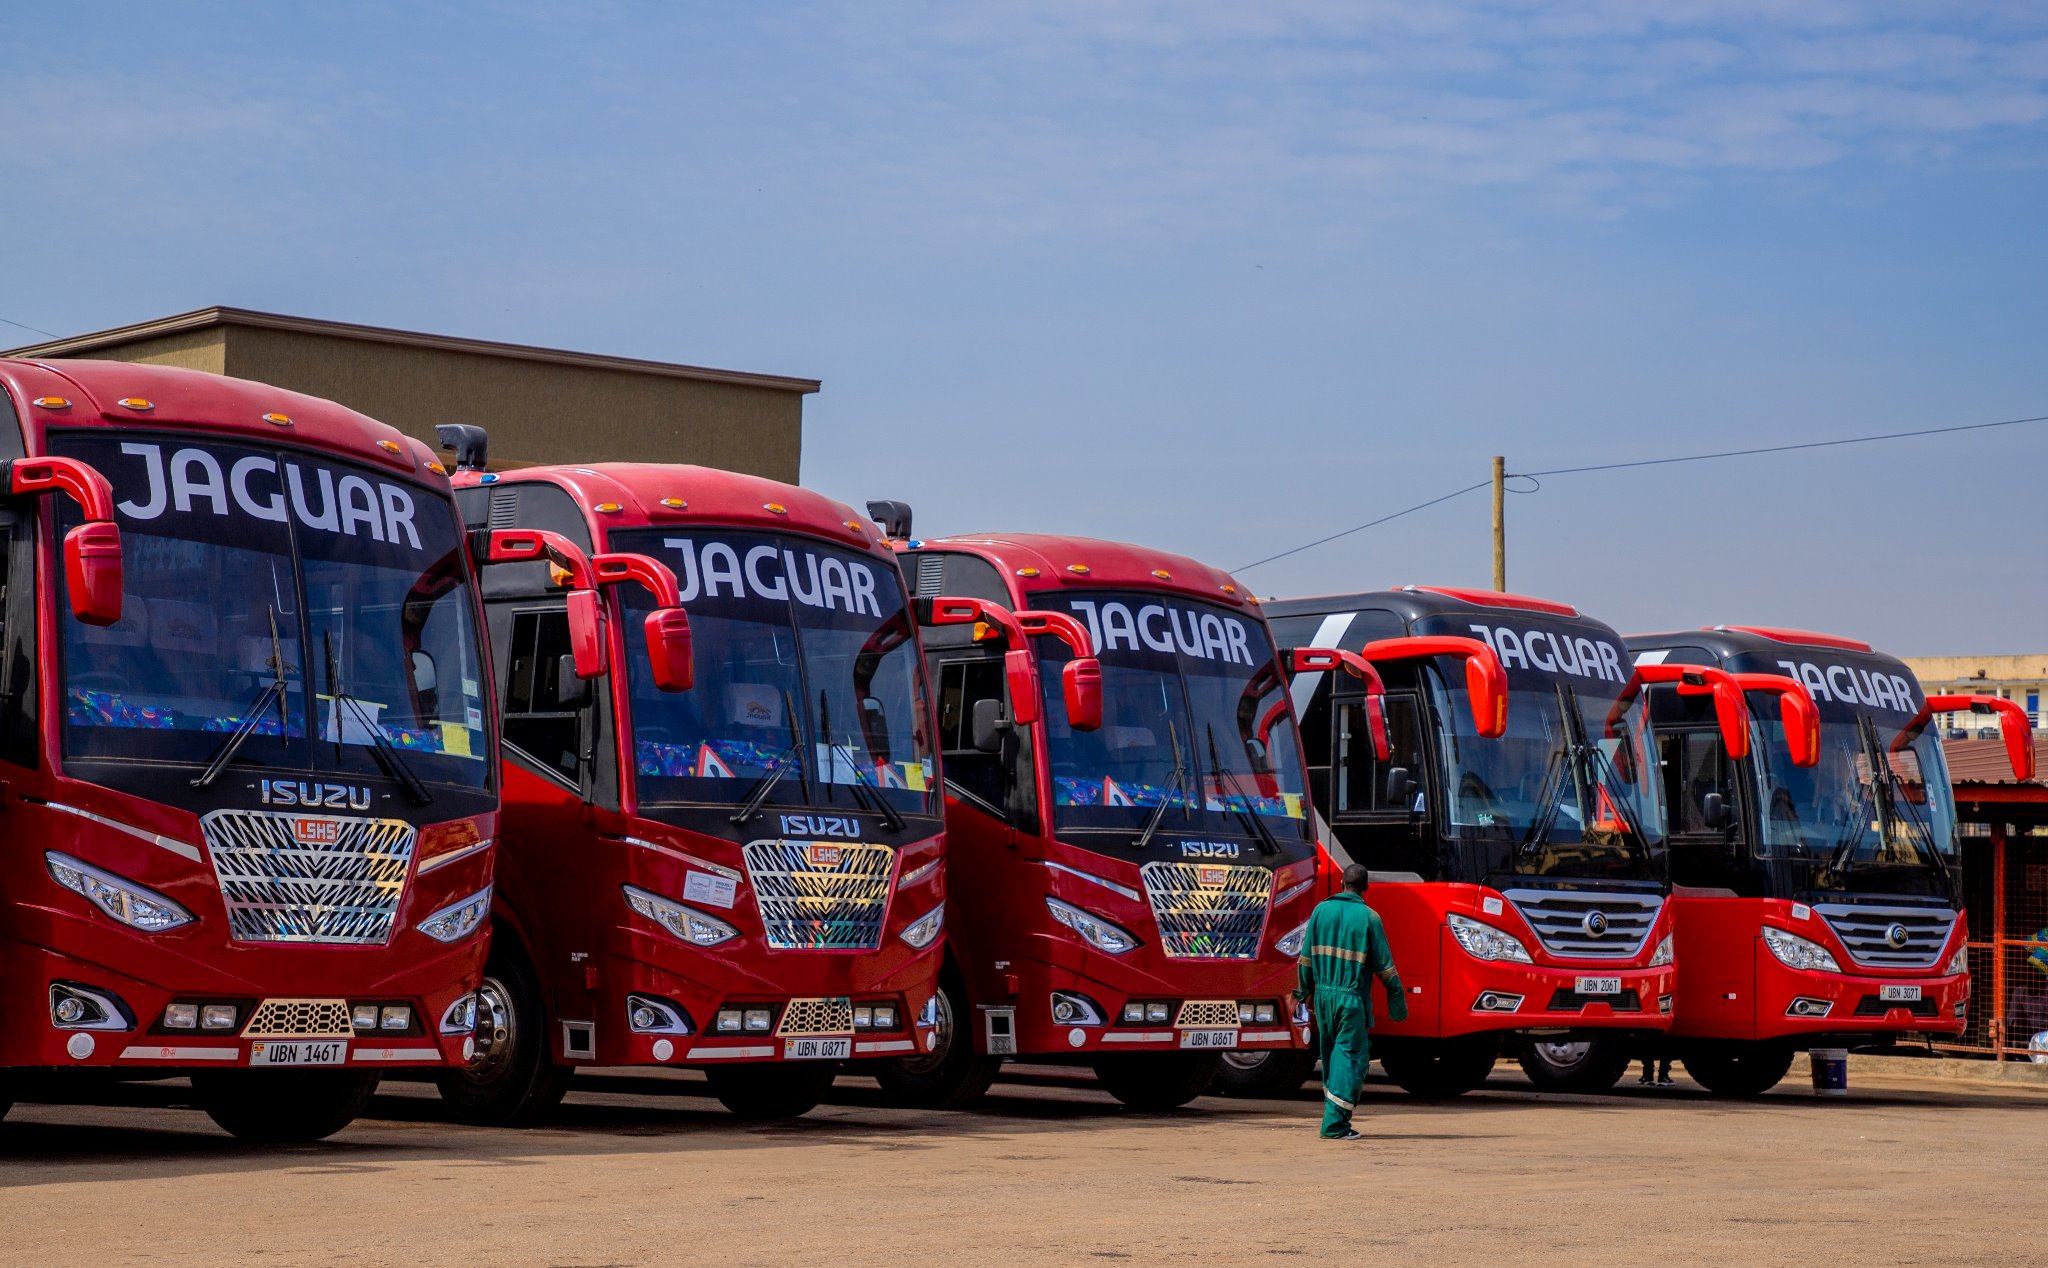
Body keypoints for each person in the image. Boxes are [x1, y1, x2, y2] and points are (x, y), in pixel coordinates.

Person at [1295, 863, 1405, 1140]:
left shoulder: (1321, 910)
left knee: (1332, 1058)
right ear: (1365, 888)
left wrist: (1303, 992)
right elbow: (1385, 967)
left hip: (1322, 998)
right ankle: (1335, 1126)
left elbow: (1305, 958)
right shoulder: (1370, 917)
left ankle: (1336, 1118)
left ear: (1342, 883)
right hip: (1350, 1000)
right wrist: (1397, 1001)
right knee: (1350, 1060)